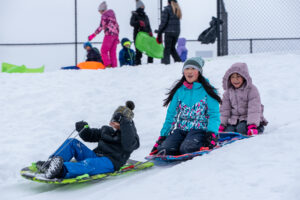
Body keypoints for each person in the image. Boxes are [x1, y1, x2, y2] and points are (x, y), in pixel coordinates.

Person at [37, 101, 140, 179]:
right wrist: (84, 130)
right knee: (72, 142)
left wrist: (125, 123)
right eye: (112, 120)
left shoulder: (131, 137)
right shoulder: (107, 130)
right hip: (96, 156)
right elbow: (90, 136)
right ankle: (51, 164)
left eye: (116, 122)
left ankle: (61, 170)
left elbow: (128, 145)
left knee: (89, 163)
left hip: (110, 163)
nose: (112, 124)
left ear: (124, 123)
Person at [150, 57, 221, 156]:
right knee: (165, 149)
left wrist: (211, 134)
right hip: (181, 130)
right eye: (187, 69)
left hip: (199, 129)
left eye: (193, 69)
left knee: (187, 149)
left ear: (199, 72)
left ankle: (195, 144)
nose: (189, 72)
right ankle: (179, 144)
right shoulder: (179, 91)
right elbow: (171, 115)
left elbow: (214, 114)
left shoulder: (208, 90)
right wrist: (163, 136)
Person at [219, 63, 268, 136]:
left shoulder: (251, 90)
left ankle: (258, 128)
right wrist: (221, 124)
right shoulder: (228, 92)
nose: (235, 80)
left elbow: (254, 109)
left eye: (238, 76)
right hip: (234, 119)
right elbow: (225, 110)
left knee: (241, 129)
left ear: (244, 77)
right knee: (228, 131)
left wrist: (252, 124)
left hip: (248, 118)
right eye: (232, 77)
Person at [88, 1, 120, 68]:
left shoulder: (104, 15)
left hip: (109, 35)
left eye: (99, 11)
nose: (99, 12)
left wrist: (93, 35)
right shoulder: (112, 16)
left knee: (103, 51)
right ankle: (114, 67)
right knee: (112, 52)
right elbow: (117, 26)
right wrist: (117, 37)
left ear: (102, 10)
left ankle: (108, 65)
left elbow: (101, 26)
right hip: (115, 35)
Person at [156, 0, 182, 65]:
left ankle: (165, 64)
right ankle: (179, 62)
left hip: (169, 32)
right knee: (172, 48)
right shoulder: (178, 9)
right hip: (176, 32)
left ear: (168, 2)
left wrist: (159, 32)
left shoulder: (167, 9)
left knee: (167, 49)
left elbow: (163, 23)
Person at [130, 0, 153, 65]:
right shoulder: (134, 15)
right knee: (138, 51)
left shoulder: (146, 16)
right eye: (142, 6)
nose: (143, 7)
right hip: (138, 36)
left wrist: (150, 32)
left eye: (143, 6)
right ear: (139, 6)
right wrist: (138, 23)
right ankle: (137, 65)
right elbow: (131, 23)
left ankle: (150, 64)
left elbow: (148, 25)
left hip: (146, 35)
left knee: (149, 50)